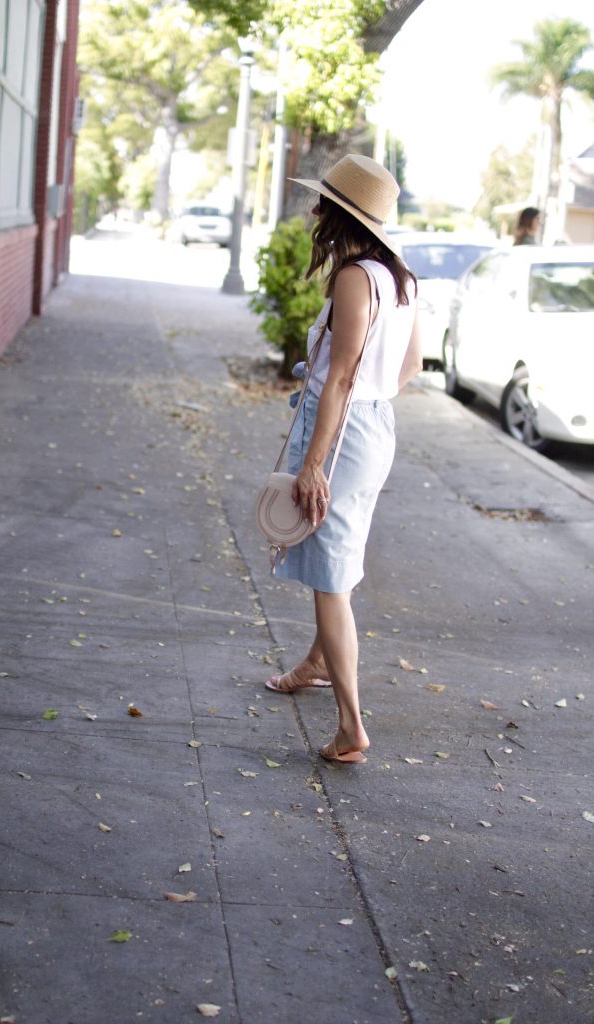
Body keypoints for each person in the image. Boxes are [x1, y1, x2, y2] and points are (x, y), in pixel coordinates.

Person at [264, 153, 422, 765]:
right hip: (377, 425)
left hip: (345, 431)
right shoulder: (402, 280)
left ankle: (352, 727)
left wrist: (314, 463)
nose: (313, 211)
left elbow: (341, 379)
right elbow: (405, 368)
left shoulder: (356, 278)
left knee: (331, 580)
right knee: (338, 554)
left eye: (322, 202)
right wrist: (368, 405)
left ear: (340, 214)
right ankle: (317, 661)